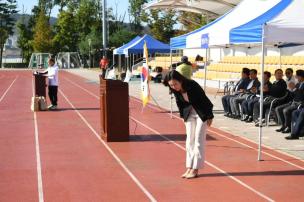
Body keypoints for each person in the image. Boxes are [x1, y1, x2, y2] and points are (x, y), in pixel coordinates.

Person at [163, 70, 214, 179]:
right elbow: (180, 103)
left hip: (202, 113)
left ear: (181, 80)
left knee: (198, 140)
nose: (174, 87)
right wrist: (183, 116)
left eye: (175, 84)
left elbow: (204, 100)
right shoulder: (175, 90)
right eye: (171, 85)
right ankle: (189, 167)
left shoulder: (192, 85)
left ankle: (195, 169)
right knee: (189, 141)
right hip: (189, 114)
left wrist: (210, 116)